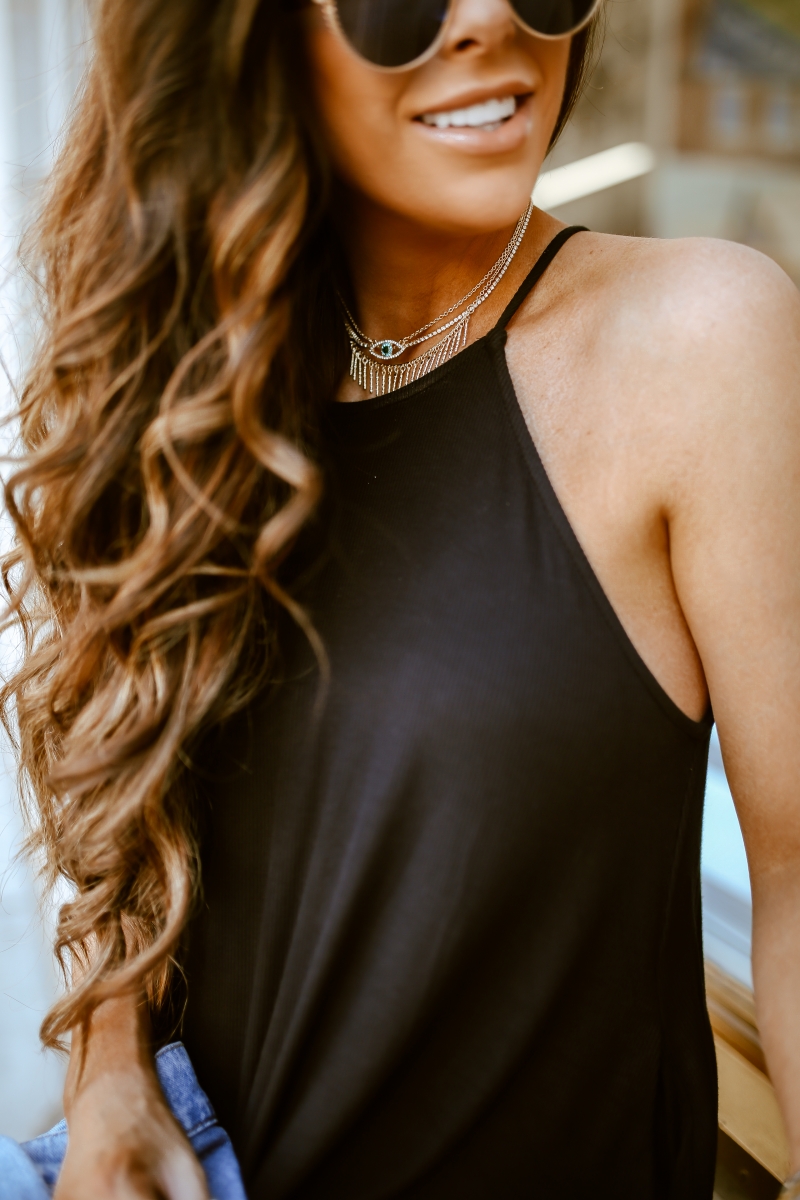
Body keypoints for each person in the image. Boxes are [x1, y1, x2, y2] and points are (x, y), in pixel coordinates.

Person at [2, 0, 800, 1196]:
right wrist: (109, 1077)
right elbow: (139, 836)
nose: (485, 20)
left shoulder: (700, 340)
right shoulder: (184, 396)